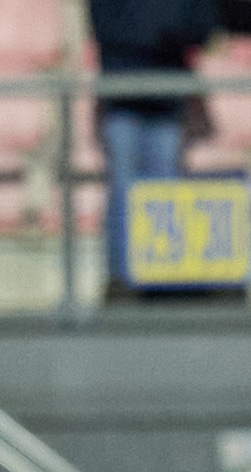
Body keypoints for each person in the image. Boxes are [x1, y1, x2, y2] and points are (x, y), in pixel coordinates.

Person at [87, 0, 209, 293]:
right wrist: (160, 35)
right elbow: (106, 27)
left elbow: (202, 24)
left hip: (167, 101)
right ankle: (120, 278)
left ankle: (161, 275)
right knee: (122, 189)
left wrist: (173, 35)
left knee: (165, 188)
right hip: (122, 98)